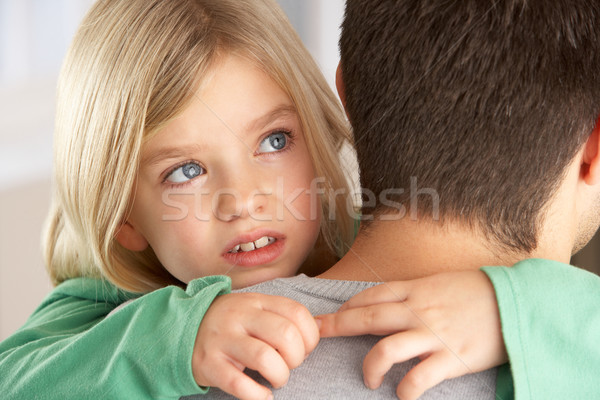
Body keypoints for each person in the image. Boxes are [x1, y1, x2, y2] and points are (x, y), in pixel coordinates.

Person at [200, 0, 600, 398]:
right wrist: (527, 314)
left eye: (274, 140)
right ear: (593, 147)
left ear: (348, 98)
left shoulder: (202, 358)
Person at [0, 0, 357, 399]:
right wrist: (176, 337)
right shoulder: (98, 301)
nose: (242, 200)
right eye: (187, 171)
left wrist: (445, 298)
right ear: (123, 218)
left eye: (274, 141)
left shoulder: (366, 240)